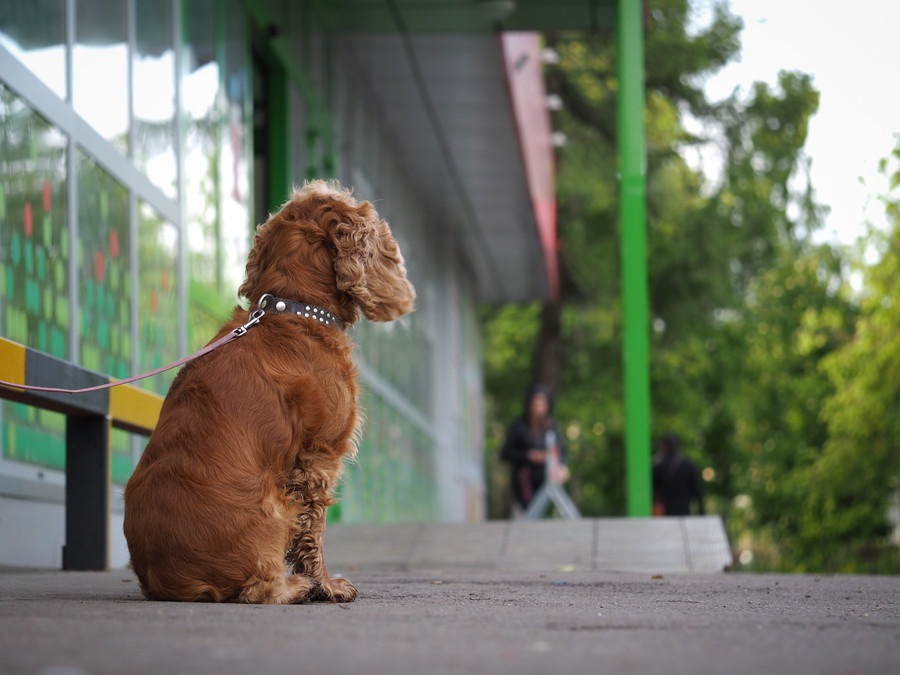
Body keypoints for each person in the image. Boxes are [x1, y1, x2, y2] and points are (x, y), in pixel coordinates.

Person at [500, 384, 569, 513]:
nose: (538, 409)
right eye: (535, 404)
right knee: (529, 512)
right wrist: (528, 456)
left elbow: (560, 450)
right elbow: (505, 454)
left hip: (546, 477)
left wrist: (562, 466)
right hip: (524, 480)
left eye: (542, 405)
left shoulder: (550, 426)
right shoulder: (518, 426)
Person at [652, 434, 704, 516]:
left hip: (664, 513)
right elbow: (697, 491)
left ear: (664, 446)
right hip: (684, 511)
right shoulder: (688, 465)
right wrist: (701, 512)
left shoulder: (658, 466)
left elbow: (653, 490)